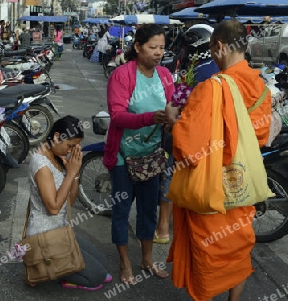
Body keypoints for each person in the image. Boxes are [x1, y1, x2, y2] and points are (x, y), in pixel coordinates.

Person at [165, 19, 272, 301]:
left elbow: (188, 146)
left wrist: (175, 120)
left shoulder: (211, 88)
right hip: (242, 183)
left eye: (212, 49)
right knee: (238, 247)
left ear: (220, 46)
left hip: (211, 188)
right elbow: (259, 137)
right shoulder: (261, 87)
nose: (211, 55)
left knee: (209, 252)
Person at [103, 24, 175, 284]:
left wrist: (171, 119)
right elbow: (117, 115)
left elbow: (172, 105)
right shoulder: (122, 76)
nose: (158, 53)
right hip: (123, 157)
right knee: (122, 210)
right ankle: (124, 264)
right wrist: (148, 118)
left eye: (162, 48)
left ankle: (147, 259)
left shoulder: (165, 75)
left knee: (148, 212)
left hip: (152, 156)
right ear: (138, 47)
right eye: (153, 47)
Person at [26, 115, 111, 290]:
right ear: (57, 137)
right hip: (45, 237)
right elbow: (54, 207)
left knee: (104, 265)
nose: (70, 151)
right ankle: (52, 270)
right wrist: (70, 174)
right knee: (96, 278)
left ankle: (62, 269)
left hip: (61, 230)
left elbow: (69, 201)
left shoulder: (57, 157)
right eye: (69, 145)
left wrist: (75, 173)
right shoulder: (40, 164)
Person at [154, 24, 220, 244]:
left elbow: (182, 103)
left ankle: (163, 228)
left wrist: (172, 120)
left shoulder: (197, 71)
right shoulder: (216, 67)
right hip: (215, 136)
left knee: (171, 175)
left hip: (192, 136)